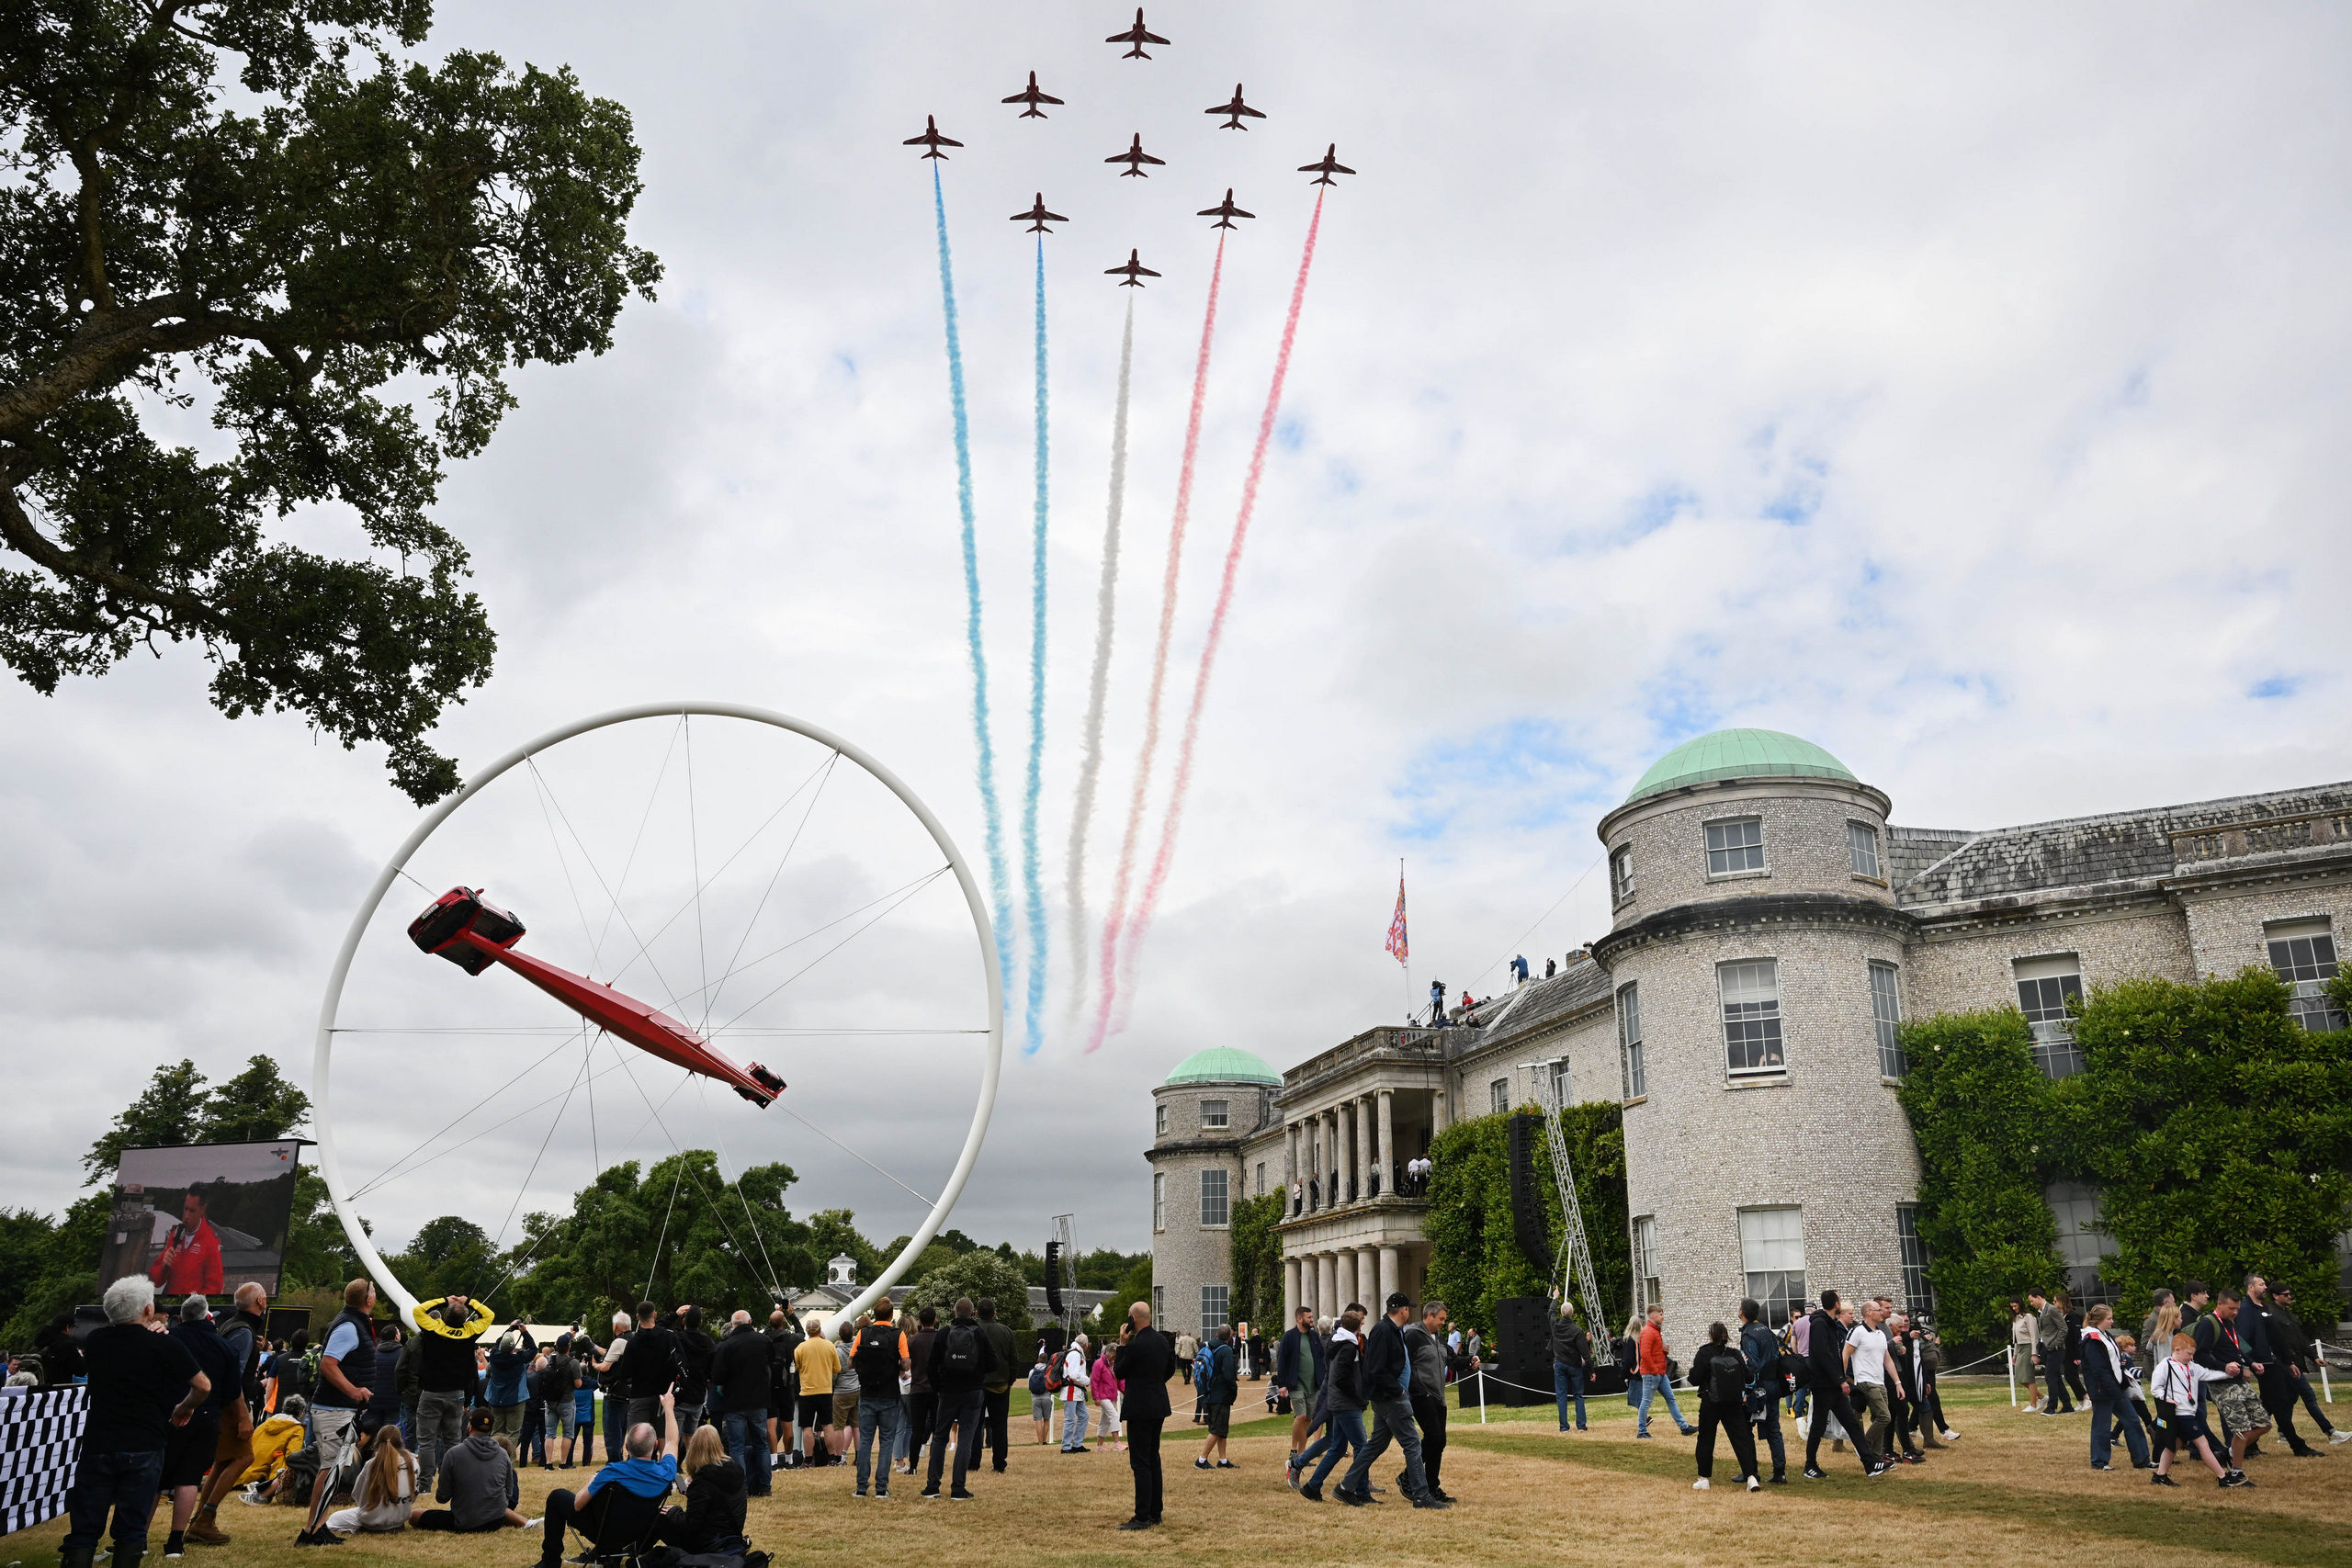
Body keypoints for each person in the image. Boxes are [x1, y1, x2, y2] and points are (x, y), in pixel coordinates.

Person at [58, 1275, 210, 1568]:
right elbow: (203, 1385)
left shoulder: (96, 1341)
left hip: (98, 1443)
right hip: (145, 1443)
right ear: (148, 1310)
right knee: (131, 1531)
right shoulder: (165, 1345)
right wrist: (184, 1407)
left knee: (84, 1529)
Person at [530, 1391, 681, 1568]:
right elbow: (672, 1442)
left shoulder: (611, 1472)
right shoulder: (666, 1472)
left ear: (626, 1446)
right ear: (655, 1446)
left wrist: (591, 1481)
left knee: (557, 1497)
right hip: (638, 1534)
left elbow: (578, 1504)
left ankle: (550, 1562)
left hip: (603, 1532)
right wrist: (668, 1408)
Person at [155, 1294, 247, 1558]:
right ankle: (175, 1542)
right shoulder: (224, 1347)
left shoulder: (168, 1340)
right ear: (208, 1317)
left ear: (181, 1317)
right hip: (207, 1417)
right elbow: (232, 1390)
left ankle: (136, 1539)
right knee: (188, 1480)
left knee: (156, 1480)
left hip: (169, 1415)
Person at [298, 1278, 383, 1545]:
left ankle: (318, 1525)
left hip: (340, 1408)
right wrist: (353, 1391)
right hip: (335, 1408)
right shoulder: (349, 1326)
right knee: (331, 1469)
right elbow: (328, 1364)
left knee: (335, 1467)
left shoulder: (353, 1322)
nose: (375, 1294)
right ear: (367, 1300)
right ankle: (311, 1529)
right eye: (373, 1291)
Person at [1340, 1293, 1444, 1508]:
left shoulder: (1393, 1330)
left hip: (1390, 1396)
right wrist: (1398, 1390)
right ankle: (1421, 1496)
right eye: (1408, 1308)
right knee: (1413, 1443)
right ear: (1403, 1309)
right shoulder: (1383, 1330)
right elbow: (1375, 1369)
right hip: (1391, 1398)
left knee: (1376, 1445)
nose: (1410, 1312)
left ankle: (1344, 1487)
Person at [186, 1280, 270, 1547]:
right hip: (232, 1405)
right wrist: (243, 1415)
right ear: (259, 1302)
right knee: (245, 1457)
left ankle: (199, 1519)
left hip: (221, 1402)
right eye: (264, 1296)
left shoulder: (231, 1326)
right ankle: (205, 1519)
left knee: (223, 1462)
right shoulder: (244, 1332)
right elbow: (234, 1375)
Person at [407, 1293, 494, 1492]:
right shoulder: (470, 1331)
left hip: (431, 1392)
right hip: (456, 1394)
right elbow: (489, 1315)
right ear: (464, 1320)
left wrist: (446, 1300)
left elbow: (418, 1310)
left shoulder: (434, 1328)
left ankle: (425, 1484)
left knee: (427, 1441)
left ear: (445, 1317)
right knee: (452, 1440)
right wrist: (468, 1301)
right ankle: (451, 1483)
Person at [1802, 1291, 1885, 1479]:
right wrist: (1840, 1380)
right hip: (1824, 1385)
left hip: (1833, 1385)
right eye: (1839, 1300)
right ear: (1836, 1304)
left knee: (1852, 1424)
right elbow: (1823, 1355)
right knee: (1818, 1426)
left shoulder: (1830, 1324)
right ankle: (1810, 1466)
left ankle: (1870, 1464)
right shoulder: (1820, 1324)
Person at [922, 1295, 997, 1499]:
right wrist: (978, 1375)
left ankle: (932, 1486)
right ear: (973, 1313)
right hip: (973, 1391)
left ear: (955, 1312)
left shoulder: (945, 1333)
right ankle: (958, 1487)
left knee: (939, 1437)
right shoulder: (979, 1334)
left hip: (948, 1391)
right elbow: (993, 1363)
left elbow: (931, 1365)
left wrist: (939, 1386)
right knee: (965, 1439)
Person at [2150, 1332, 2245, 1488]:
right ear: (2177, 1350)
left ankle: (2160, 1475)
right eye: (2189, 1354)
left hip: (2189, 1412)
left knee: (2174, 1445)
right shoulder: (2165, 1365)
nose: (2191, 1357)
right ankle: (2223, 1477)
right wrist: (2166, 1398)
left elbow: (2208, 1374)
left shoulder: (2192, 1366)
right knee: (2203, 1444)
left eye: (2193, 1354)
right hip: (2180, 1414)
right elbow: (2155, 1388)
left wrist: (2228, 1374)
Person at [1293, 1306, 1365, 1502]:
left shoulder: (1337, 1342)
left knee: (1337, 1447)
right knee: (1361, 1447)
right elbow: (1342, 1377)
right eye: (1362, 1321)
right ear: (1357, 1325)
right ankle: (1357, 1489)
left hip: (1336, 1400)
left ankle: (1313, 1486)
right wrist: (1358, 1398)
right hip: (1345, 1402)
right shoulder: (1349, 1346)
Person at [2243, 1274, 2320, 1459]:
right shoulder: (2246, 1309)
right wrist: (2249, 1362)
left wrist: (2289, 1361)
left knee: (2268, 1405)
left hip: (2274, 1361)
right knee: (2281, 1402)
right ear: (2251, 1287)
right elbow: (2242, 1338)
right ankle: (2297, 1445)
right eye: (2261, 1284)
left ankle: (2247, 1444)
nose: (2265, 1287)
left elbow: (2276, 1338)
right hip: (2263, 1364)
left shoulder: (2265, 1308)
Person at [2193, 1290, 2272, 1469]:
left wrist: (2251, 1364)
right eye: (2231, 1308)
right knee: (2242, 1429)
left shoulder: (2229, 1322)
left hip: (2238, 1381)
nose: (2235, 1312)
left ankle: (2228, 1453)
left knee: (2264, 1424)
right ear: (2219, 1304)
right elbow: (2199, 1355)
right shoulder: (2208, 1324)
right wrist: (2224, 1366)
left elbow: (2237, 1349)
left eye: (2237, 1309)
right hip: (2221, 1383)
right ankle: (2236, 1470)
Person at [1114, 1300, 1173, 1529]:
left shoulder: (1136, 1345)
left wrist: (1122, 1344)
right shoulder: (1162, 1340)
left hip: (1139, 1407)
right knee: (1153, 1459)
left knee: (1140, 1463)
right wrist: (1154, 1384)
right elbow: (1168, 1370)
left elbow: (1118, 1371)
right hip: (1158, 1405)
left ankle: (1141, 1516)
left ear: (1133, 1320)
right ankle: (1155, 1512)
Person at [2268, 1285, 2350, 1447]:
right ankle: (2331, 1432)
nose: (2290, 1296)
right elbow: (2279, 1343)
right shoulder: (2272, 1316)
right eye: (2286, 1294)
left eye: (2290, 1293)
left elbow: (2300, 1339)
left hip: (2295, 1363)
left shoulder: (2289, 1315)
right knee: (2309, 1396)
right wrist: (2286, 1362)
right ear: (2275, 1296)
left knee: (2288, 1400)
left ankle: (2284, 1432)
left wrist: (2314, 1357)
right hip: (2287, 1365)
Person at [708, 1309, 773, 1498]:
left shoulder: (728, 1346)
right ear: (750, 1321)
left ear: (732, 1324)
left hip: (735, 1402)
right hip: (759, 1401)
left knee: (736, 1446)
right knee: (761, 1444)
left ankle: (741, 1487)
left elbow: (718, 1376)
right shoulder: (764, 1341)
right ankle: (765, 1486)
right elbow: (771, 1364)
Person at [1689, 1321, 1760, 1492]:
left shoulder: (1704, 1353)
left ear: (1710, 1336)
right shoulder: (1735, 1354)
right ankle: (1751, 1477)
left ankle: (1704, 1478)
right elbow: (1749, 1377)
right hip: (1734, 1402)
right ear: (1726, 1336)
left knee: (1706, 1438)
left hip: (1710, 1401)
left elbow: (1694, 1378)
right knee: (1741, 1439)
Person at [654, 1423, 747, 1552]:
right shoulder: (734, 1471)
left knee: (659, 1518)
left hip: (708, 1544)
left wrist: (674, 1512)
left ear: (693, 1448)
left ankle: (635, 1551)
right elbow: (716, 1505)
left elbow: (690, 1526)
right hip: (731, 1538)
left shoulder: (703, 1482)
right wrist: (693, 1494)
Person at [849, 1301, 910, 1496]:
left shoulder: (863, 1333)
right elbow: (906, 1364)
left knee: (866, 1440)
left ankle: (861, 1487)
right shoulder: (898, 1334)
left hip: (867, 1393)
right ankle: (881, 1488)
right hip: (889, 1394)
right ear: (891, 1315)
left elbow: (851, 1362)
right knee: (886, 1441)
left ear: (874, 1314)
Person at [2081, 1305, 2151, 1471]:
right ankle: (2099, 1462)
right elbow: (2098, 1369)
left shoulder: (2105, 1335)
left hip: (2114, 1387)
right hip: (2103, 1389)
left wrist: (2120, 1366)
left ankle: (2142, 1460)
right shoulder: (2092, 1339)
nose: (2112, 1321)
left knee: (2133, 1420)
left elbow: (2109, 1362)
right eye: (2109, 1319)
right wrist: (2113, 1388)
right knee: (2102, 1425)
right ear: (2098, 1320)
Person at [1404, 1299, 1456, 1503]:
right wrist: (1418, 1390)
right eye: (1441, 1319)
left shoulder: (1439, 1339)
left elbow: (1450, 1359)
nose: (1444, 1322)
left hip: (1439, 1397)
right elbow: (1405, 1365)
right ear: (1429, 1316)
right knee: (1434, 1437)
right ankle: (1408, 1477)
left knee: (1439, 1441)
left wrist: (1469, 1362)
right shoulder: (1413, 1335)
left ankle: (1432, 1486)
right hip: (1421, 1396)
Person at [325, 1423, 415, 1534]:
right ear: (400, 1441)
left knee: (335, 1518)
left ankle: (359, 1529)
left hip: (373, 1521)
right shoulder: (413, 1461)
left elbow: (358, 1495)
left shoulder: (372, 1464)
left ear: (377, 1441)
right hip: (400, 1518)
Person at [1737, 1299, 1787, 1483]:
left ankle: (1751, 1471)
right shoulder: (1765, 1329)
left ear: (1742, 1312)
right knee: (1774, 1428)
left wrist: (1747, 1388)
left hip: (1759, 1388)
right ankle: (1779, 1471)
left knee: (1746, 1428)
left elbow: (1752, 1364)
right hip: (1773, 1384)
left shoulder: (1749, 1334)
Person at [613, 1301, 678, 1438]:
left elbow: (624, 1373)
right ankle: (663, 1459)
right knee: (662, 1436)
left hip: (640, 1394)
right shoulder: (668, 1337)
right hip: (662, 1395)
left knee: (638, 1437)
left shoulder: (632, 1343)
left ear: (637, 1317)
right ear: (655, 1315)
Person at [147, 1187, 225, 1297]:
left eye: (192, 1211)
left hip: (192, 1310)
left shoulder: (210, 1241)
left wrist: (193, 1308)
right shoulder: (175, 1235)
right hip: (171, 1306)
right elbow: (156, 1280)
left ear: (203, 1210)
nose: (186, 1216)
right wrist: (163, 1266)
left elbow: (214, 1288)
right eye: (185, 1209)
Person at [1633, 1303, 1695, 1438]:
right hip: (1652, 1373)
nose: (1663, 1317)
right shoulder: (1648, 1332)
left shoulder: (1655, 1330)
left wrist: (1663, 1352)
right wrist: (1654, 1369)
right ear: (1653, 1315)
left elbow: (1653, 1352)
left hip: (1660, 1373)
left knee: (1671, 1399)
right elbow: (1645, 1353)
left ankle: (1684, 1427)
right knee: (1646, 1401)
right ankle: (1642, 1431)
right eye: (1661, 1314)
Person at [1277, 1306, 1326, 1461]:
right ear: (1299, 1319)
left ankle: (1301, 1455)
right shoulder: (1289, 1336)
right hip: (1295, 1384)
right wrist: (1282, 1384)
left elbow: (1320, 1357)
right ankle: (1293, 1449)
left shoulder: (1314, 1335)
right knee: (1301, 1416)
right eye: (1309, 1317)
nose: (1312, 1320)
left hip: (1313, 1385)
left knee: (1308, 1419)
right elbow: (1282, 1361)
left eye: (1312, 1317)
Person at [977, 1296, 1019, 1474]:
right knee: (999, 1425)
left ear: (977, 1313)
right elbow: (1014, 1360)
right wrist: (1010, 1380)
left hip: (977, 1385)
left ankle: (972, 1461)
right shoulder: (1006, 1331)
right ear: (994, 1312)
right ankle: (999, 1462)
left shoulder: (972, 1330)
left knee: (974, 1424)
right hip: (1000, 1385)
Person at [793, 1315, 839, 1468]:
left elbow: (797, 1367)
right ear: (820, 1330)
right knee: (827, 1425)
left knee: (807, 1427)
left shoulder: (800, 1348)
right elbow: (837, 1369)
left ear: (807, 1332)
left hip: (807, 1391)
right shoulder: (829, 1346)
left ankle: (808, 1459)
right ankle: (832, 1458)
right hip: (825, 1390)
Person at [1546, 1290, 1592, 1433]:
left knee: (1561, 1395)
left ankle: (1564, 1426)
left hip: (1559, 1363)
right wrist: (1592, 1370)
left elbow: (1550, 1313)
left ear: (1562, 1314)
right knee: (1578, 1395)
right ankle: (1581, 1425)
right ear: (1572, 1314)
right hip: (1574, 1365)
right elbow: (1585, 1353)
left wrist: (1555, 1298)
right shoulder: (1577, 1331)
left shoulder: (1556, 1326)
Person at [1191, 1326, 1237, 1468]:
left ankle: (1223, 1460)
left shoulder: (1209, 1346)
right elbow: (1229, 1375)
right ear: (1229, 1336)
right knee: (1216, 1430)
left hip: (1209, 1392)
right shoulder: (1226, 1350)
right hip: (1221, 1395)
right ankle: (1201, 1460)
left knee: (1221, 1429)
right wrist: (1234, 1389)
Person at [484, 1321, 536, 1444]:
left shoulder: (494, 1356)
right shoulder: (519, 1359)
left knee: (496, 1432)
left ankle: (494, 1461)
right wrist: (524, 1333)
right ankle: (509, 1462)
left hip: (496, 1399)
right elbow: (533, 1349)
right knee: (513, 1434)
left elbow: (497, 1344)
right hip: (515, 1400)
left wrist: (510, 1329)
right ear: (513, 1347)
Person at [670, 1304, 714, 1446]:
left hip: (680, 1394)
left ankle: (672, 1464)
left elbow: (659, 1328)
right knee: (690, 1437)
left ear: (684, 1321)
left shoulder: (677, 1337)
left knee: (673, 1437)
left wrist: (675, 1314)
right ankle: (692, 1466)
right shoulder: (708, 1342)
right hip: (698, 1394)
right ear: (700, 1322)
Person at [537, 1335, 580, 1470]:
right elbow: (578, 1384)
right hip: (567, 1400)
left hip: (550, 1401)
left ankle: (548, 1463)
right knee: (568, 1433)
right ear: (569, 1346)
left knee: (549, 1433)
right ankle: (563, 1463)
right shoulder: (573, 1363)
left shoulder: (549, 1360)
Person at [763, 1308, 800, 1464]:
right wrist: (791, 1315)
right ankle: (789, 1459)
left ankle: (773, 1460)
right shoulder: (791, 1339)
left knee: (771, 1424)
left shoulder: (765, 1339)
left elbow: (763, 1333)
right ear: (783, 1323)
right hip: (787, 1385)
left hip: (769, 1385)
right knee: (788, 1423)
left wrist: (772, 1320)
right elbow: (801, 1332)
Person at [1060, 1331, 1093, 1453]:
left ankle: (1077, 1444)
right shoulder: (1075, 1354)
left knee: (1084, 1416)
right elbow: (1073, 1375)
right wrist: (1087, 1380)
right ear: (1084, 1345)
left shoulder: (1076, 1353)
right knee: (1070, 1419)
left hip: (1076, 1391)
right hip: (1071, 1390)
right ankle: (1066, 1447)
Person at [2008, 1299, 2042, 1413]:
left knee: (2028, 1376)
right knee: (2020, 1377)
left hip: (2029, 1347)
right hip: (2020, 1348)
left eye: (2015, 1305)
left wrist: (2034, 1353)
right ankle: (2042, 1397)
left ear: (2020, 1304)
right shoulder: (2016, 1318)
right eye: (2012, 1306)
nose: (2014, 1308)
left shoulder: (2028, 1317)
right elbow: (2016, 1340)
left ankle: (2033, 1404)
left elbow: (2034, 1336)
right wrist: (2015, 1354)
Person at [1091, 1337, 1125, 1452]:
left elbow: (1120, 1381)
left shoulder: (1113, 1364)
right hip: (1103, 1396)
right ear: (1109, 1353)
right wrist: (1096, 1397)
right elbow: (1094, 1381)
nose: (1115, 1358)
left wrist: (1126, 1392)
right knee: (1114, 1416)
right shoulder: (1098, 1364)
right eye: (1114, 1355)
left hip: (1112, 1396)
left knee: (1104, 1421)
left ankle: (1099, 1446)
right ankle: (1116, 1443)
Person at [1027, 1348, 1053, 1447]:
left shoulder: (1032, 1371)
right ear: (1046, 1360)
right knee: (1046, 1420)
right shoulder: (1049, 1370)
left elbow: (1029, 1385)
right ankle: (1045, 1440)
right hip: (1046, 1396)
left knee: (1038, 1421)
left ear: (1038, 1360)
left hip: (1035, 1398)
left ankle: (1040, 1443)